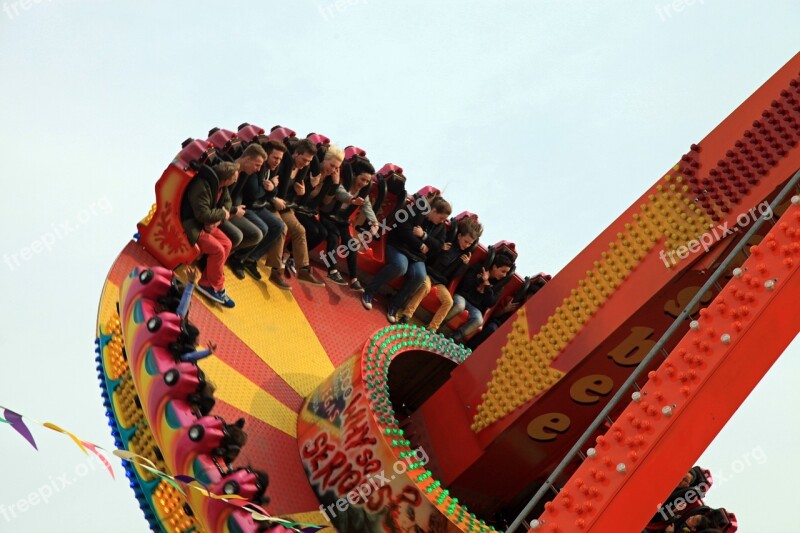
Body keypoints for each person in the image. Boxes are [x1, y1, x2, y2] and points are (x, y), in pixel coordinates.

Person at [361, 196, 451, 324]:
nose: (442, 221)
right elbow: (403, 230)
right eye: (441, 218)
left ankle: (394, 305)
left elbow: (438, 246)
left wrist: (424, 236)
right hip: (399, 246)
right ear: (434, 211)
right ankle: (369, 291)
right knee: (400, 267)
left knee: (420, 276)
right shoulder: (416, 210)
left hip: (417, 256)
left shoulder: (440, 227)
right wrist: (420, 245)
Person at [398, 217, 482, 329]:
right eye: (465, 241)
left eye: (469, 244)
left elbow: (453, 276)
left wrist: (464, 264)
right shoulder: (447, 243)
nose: (466, 245)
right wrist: (441, 250)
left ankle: (432, 328)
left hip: (440, 282)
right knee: (425, 287)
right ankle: (406, 315)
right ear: (459, 236)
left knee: (449, 302)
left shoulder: (463, 255)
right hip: (429, 274)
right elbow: (429, 258)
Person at [180, 161, 240, 307]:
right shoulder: (203, 186)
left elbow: (228, 202)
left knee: (227, 243)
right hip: (191, 224)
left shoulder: (221, 186)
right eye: (234, 179)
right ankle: (216, 286)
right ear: (226, 179)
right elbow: (202, 214)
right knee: (218, 250)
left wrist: (220, 216)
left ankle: (208, 281)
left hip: (206, 223)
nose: (235, 181)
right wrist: (222, 214)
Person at [233, 140, 291, 289]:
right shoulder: (257, 168)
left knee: (279, 225)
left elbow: (271, 192)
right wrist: (269, 189)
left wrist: (271, 188)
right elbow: (253, 194)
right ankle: (238, 259)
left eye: (280, 159)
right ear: (267, 156)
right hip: (249, 206)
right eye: (275, 158)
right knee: (263, 228)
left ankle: (251, 259)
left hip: (260, 205)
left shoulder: (273, 169)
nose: (277, 162)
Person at [318, 158, 379, 289]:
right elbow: (341, 193)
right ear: (354, 176)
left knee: (351, 245)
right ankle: (332, 271)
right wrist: (352, 200)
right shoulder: (342, 182)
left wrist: (374, 223)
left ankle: (354, 279)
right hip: (327, 216)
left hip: (341, 221)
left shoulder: (363, 193)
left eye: (367, 181)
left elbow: (367, 207)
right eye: (362, 179)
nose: (364, 183)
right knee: (333, 237)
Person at [271, 138, 324, 286]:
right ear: (296, 153)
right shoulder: (282, 164)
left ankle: (304, 270)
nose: (305, 164)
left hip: (287, 206)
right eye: (304, 159)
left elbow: (299, 201)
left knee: (300, 230)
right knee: (282, 227)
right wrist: (274, 198)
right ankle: (276, 271)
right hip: (272, 203)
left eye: (309, 161)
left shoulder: (303, 171)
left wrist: (304, 191)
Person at [221, 144, 267, 280]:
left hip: (231, 210)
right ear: (247, 159)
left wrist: (236, 208)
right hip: (221, 211)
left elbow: (235, 196)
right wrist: (234, 209)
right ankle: (211, 259)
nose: (258, 170)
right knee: (238, 235)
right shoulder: (230, 171)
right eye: (257, 165)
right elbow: (220, 200)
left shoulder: (244, 173)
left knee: (257, 234)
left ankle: (226, 256)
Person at [445, 253, 514, 343]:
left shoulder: (499, 286)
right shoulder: (479, 268)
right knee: (459, 306)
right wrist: (480, 279)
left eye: (506, 273)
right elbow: (466, 284)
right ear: (495, 267)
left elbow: (490, 302)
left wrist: (487, 284)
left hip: (475, 307)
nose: (504, 275)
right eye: (503, 271)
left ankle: (454, 338)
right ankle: (437, 324)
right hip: (462, 297)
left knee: (478, 320)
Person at [293, 146, 345, 260]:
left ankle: (293, 257)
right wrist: (312, 184)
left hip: (308, 211)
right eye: (331, 165)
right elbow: (300, 195)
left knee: (323, 233)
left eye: (336, 168)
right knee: (313, 230)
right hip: (297, 206)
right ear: (324, 160)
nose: (332, 170)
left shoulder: (329, 179)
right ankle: (289, 254)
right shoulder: (311, 169)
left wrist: (335, 184)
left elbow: (325, 202)